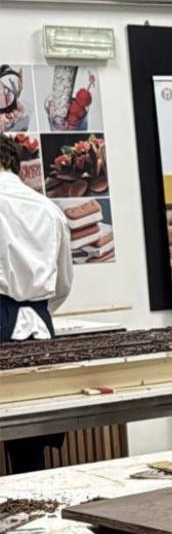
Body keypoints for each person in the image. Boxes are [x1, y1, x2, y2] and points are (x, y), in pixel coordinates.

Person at [0, 134, 73, 472]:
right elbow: (62, 284)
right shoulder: (49, 209)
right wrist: (36, 311)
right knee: (29, 442)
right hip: (40, 330)